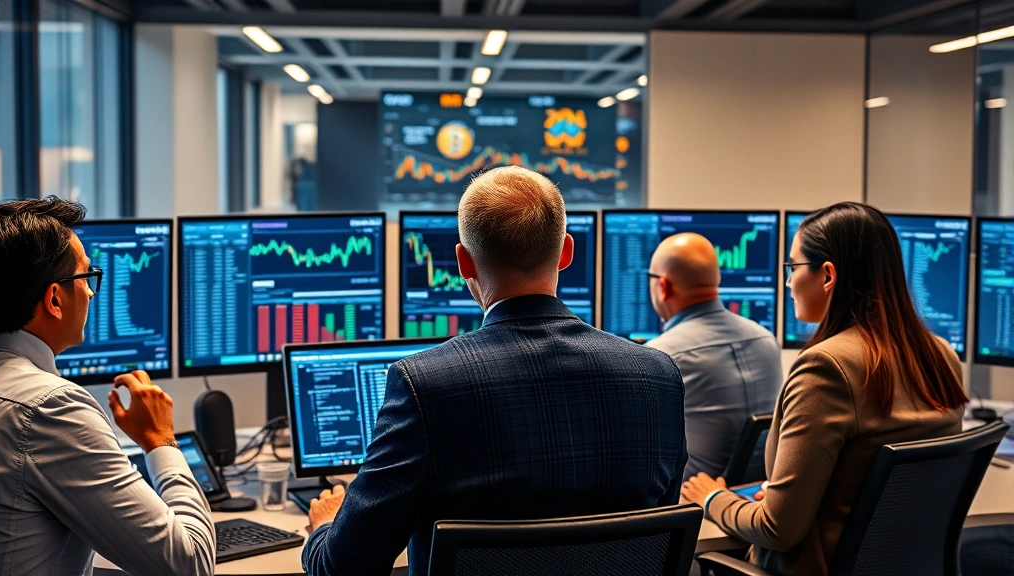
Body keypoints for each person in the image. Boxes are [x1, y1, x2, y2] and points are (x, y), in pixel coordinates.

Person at [303, 166, 689, 576]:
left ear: (464, 262)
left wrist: (325, 524)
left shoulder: (425, 386)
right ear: (566, 252)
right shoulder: (658, 376)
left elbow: (342, 569)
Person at [681, 202, 968, 575]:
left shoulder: (825, 368)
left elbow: (777, 529)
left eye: (792, 267)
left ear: (827, 275)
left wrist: (714, 498)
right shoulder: (940, 355)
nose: (787, 282)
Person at [0, 198, 215, 576]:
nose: (92, 293)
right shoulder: (49, 409)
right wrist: (160, 441)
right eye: (86, 277)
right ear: (55, 299)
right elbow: (189, 565)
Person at [646, 233, 782, 478]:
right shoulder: (766, 340)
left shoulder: (660, 358)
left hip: (695, 505)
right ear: (716, 279)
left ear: (663, 286)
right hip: (754, 499)